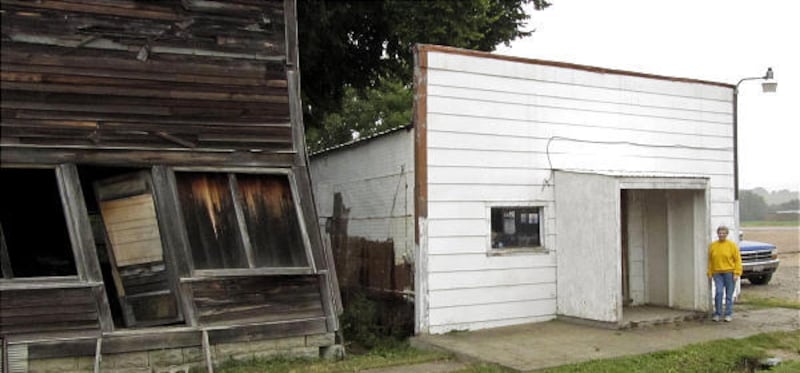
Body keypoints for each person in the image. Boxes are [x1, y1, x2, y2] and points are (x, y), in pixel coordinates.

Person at [707, 225, 742, 322]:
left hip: (729, 273)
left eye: (723, 233)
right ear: (717, 234)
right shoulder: (713, 246)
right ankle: (717, 313)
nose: (721, 235)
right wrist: (710, 272)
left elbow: (737, 260)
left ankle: (728, 313)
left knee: (729, 294)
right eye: (720, 233)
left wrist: (737, 273)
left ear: (727, 234)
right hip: (717, 273)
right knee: (719, 292)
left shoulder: (732, 245)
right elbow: (710, 261)